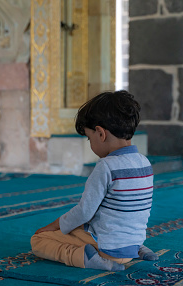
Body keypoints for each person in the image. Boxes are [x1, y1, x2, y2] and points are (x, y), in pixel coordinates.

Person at [31, 90, 158, 271]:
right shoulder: (144, 162)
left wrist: (51, 227)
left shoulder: (106, 166)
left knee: (39, 240)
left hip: (109, 250)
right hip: (131, 245)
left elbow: (84, 212)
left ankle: (85, 258)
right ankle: (136, 247)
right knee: (88, 225)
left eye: (89, 138)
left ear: (100, 133)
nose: (91, 144)